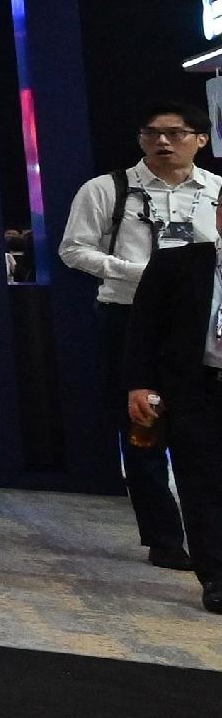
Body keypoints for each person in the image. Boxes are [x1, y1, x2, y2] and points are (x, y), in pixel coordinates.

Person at [59, 107, 218, 571]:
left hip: (201, 324)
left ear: (201, 139)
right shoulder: (108, 188)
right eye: (152, 133)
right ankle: (165, 537)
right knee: (143, 426)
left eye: (175, 133)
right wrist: (137, 274)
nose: (163, 142)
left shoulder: (215, 190)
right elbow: (73, 250)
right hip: (128, 315)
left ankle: (206, 533)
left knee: (203, 428)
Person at [113, 223, 222, 616]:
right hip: (198, 388)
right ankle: (216, 576)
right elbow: (142, 329)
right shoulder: (178, 263)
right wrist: (139, 384)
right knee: (201, 483)